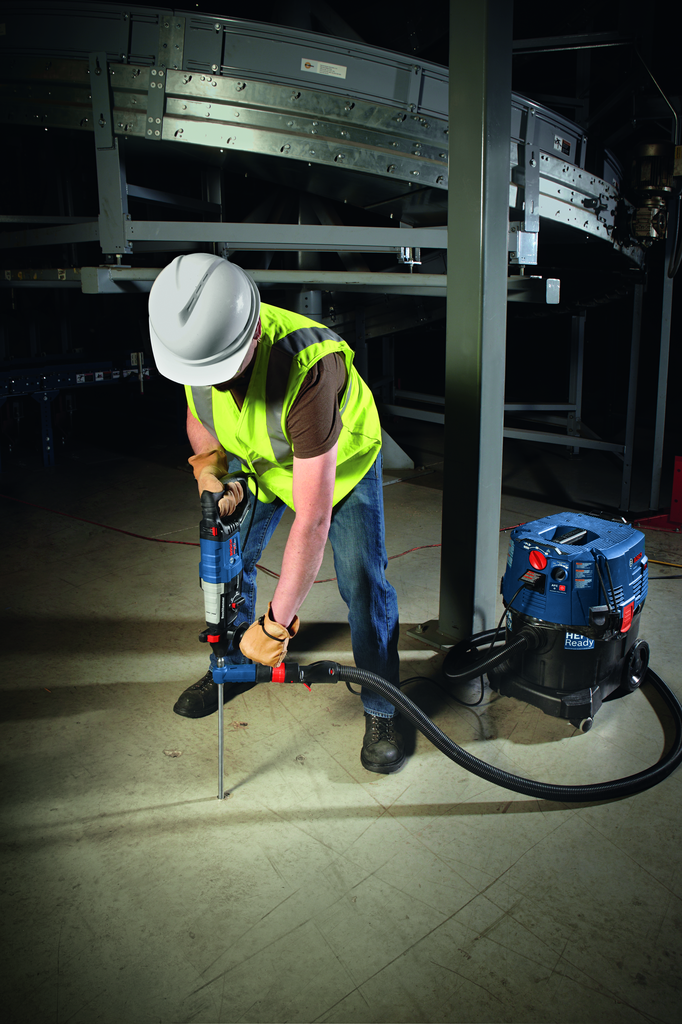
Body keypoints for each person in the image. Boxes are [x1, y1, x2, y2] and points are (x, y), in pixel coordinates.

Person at [149, 252, 403, 773]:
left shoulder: (310, 367)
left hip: (339, 467)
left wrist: (276, 625)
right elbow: (200, 412)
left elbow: (311, 519)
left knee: (362, 583)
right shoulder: (195, 344)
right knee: (231, 560)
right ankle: (234, 666)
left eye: (222, 369)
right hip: (262, 459)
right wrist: (209, 465)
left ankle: (382, 707)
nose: (213, 380)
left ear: (255, 334)